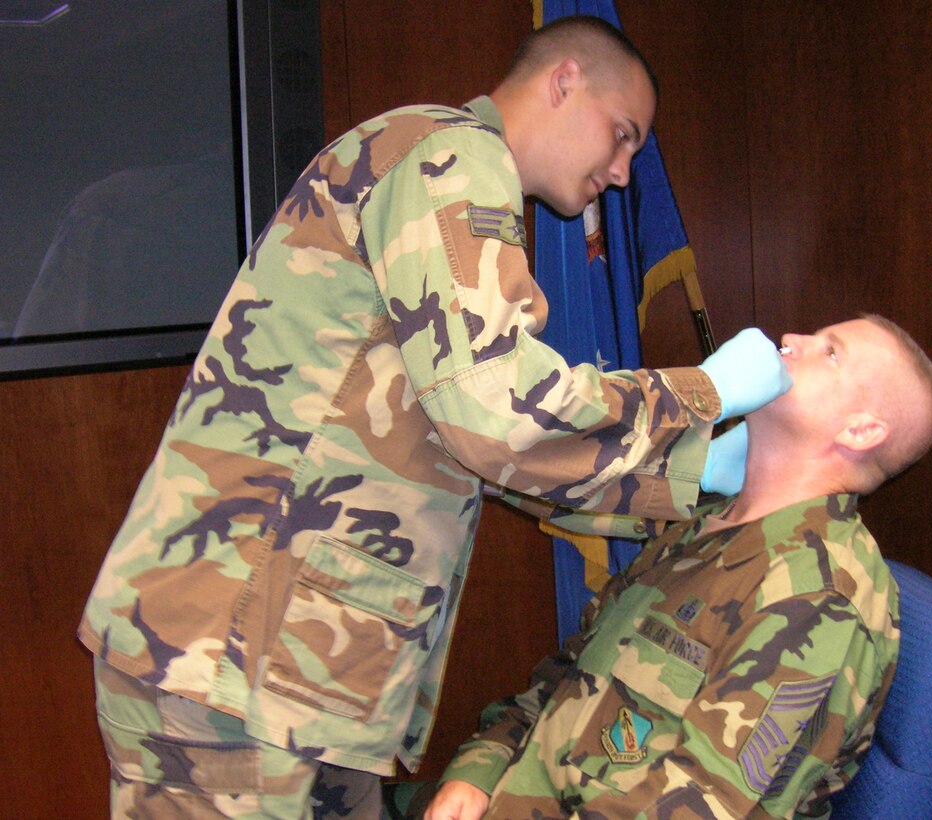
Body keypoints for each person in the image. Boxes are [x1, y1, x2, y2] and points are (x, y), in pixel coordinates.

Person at [78, 15, 790, 817]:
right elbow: (501, 418)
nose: (623, 174)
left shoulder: (442, 169)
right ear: (563, 82)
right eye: (620, 135)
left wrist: (693, 471)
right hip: (236, 659)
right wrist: (705, 392)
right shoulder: (446, 156)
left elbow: (485, 447)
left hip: (284, 668)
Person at [427, 315, 932, 819]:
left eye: (830, 352)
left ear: (860, 431)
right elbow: (564, 676)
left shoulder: (818, 598)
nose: (791, 338)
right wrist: (477, 771)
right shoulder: (700, 526)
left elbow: (703, 805)